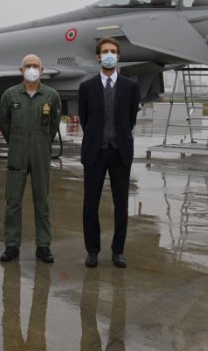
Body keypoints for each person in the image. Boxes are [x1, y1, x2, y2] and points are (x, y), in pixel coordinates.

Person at [78, 37, 140, 268]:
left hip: (119, 152)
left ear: (118, 56)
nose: (109, 54)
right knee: (90, 204)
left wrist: (117, 136)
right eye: (105, 51)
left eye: (113, 51)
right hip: (95, 152)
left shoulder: (131, 86)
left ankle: (118, 251)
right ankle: (92, 250)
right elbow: (85, 119)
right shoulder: (87, 87)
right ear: (98, 57)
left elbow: (130, 118)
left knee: (121, 204)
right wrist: (98, 137)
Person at [0, 54, 61, 263]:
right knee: (13, 201)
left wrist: (41, 143)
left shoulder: (51, 96)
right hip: (17, 152)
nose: (31, 69)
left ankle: (43, 245)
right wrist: (17, 142)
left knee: (42, 200)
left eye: (35, 66)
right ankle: (11, 245)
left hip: (41, 154)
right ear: (20, 70)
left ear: (42, 70)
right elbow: (4, 123)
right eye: (28, 66)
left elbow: (53, 124)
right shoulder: (10, 95)